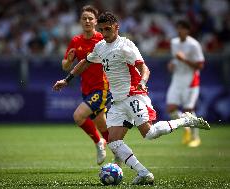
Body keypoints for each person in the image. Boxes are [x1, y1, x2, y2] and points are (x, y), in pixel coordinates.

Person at [53, 12, 210, 185]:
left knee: (149, 134)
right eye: (102, 30)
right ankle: (144, 173)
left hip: (134, 95)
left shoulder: (125, 46)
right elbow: (85, 62)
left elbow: (144, 68)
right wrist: (67, 80)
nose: (105, 33)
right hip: (118, 101)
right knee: (113, 142)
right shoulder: (100, 47)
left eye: (108, 29)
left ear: (116, 28)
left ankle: (185, 120)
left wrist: (142, 82)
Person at [61, 5, 111, 165]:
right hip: (86, 89)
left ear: (96, 21)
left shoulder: (102, 39)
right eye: (84, 18)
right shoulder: (76, 41)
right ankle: (119, 151)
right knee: (103, 127)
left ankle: (98, 143)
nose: (87, 21)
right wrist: (68, 60)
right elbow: (65, 65)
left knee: (78, 116)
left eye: (90, 18)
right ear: (80, 21)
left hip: (102, 87)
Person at [166, 20, 206, 147]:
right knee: (171, 109)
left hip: (190, 80)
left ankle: (195, 138)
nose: (179, 31)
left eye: (182, 28)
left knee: (188, 110)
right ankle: (186, 128)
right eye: (178, 28)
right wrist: (172, 64)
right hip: (177, 78)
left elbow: (200, 65)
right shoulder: (174, 42)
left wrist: (184, 60)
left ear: (188, 31)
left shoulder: (194, 45)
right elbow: (175, 59)